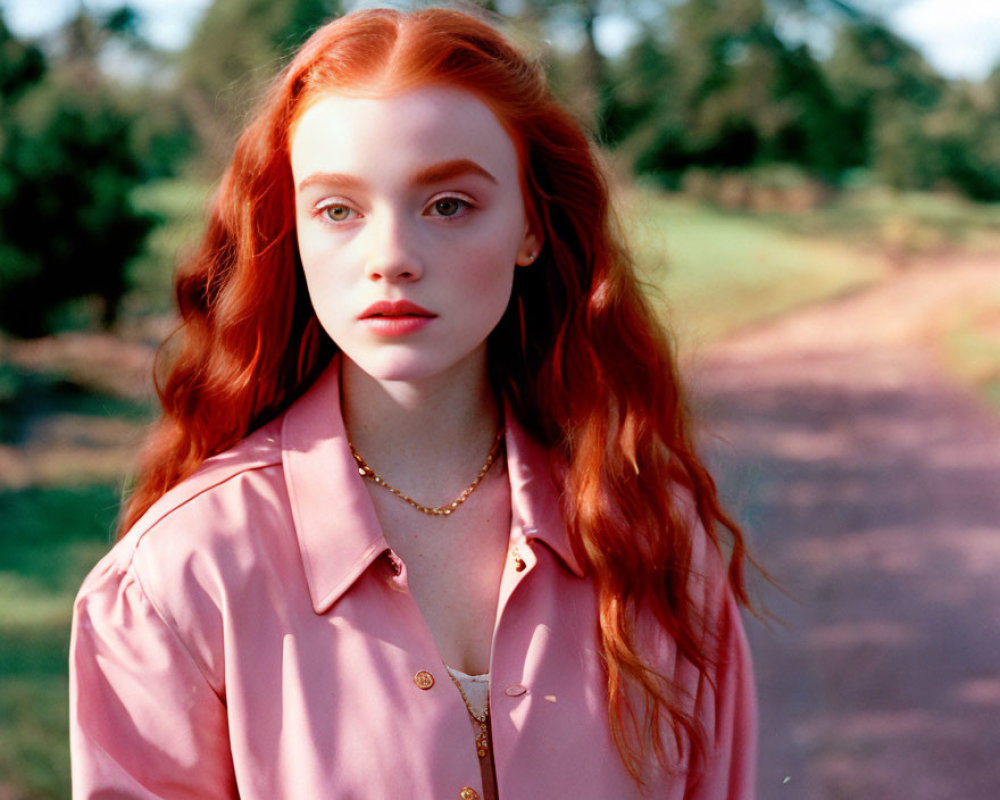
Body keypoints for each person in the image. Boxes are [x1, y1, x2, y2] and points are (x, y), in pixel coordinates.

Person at [69, 7, 757, 799]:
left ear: (530, 226)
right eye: (338, 211)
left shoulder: (653, 535)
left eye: (449, 205)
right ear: (289, 233)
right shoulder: (182, 575)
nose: (391, 257)